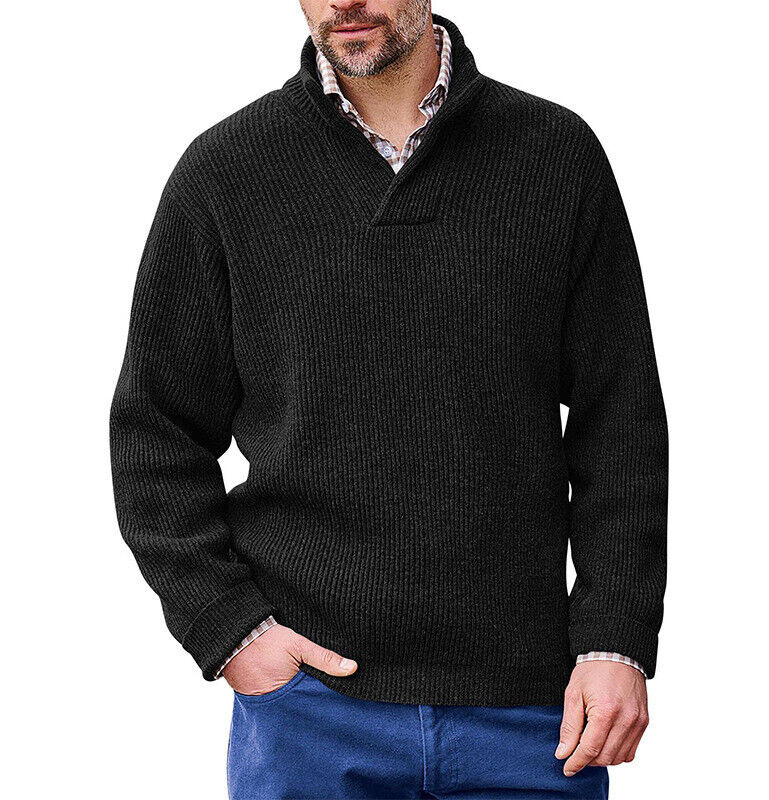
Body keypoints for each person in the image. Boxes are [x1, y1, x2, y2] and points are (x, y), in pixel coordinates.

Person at [110, 2, 668, 798]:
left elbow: (622, 420)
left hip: (532, 714)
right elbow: (155, 432)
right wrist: (230, 630)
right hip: (310, 712)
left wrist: (616, 639)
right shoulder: (226, 172)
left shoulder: (553, 155)